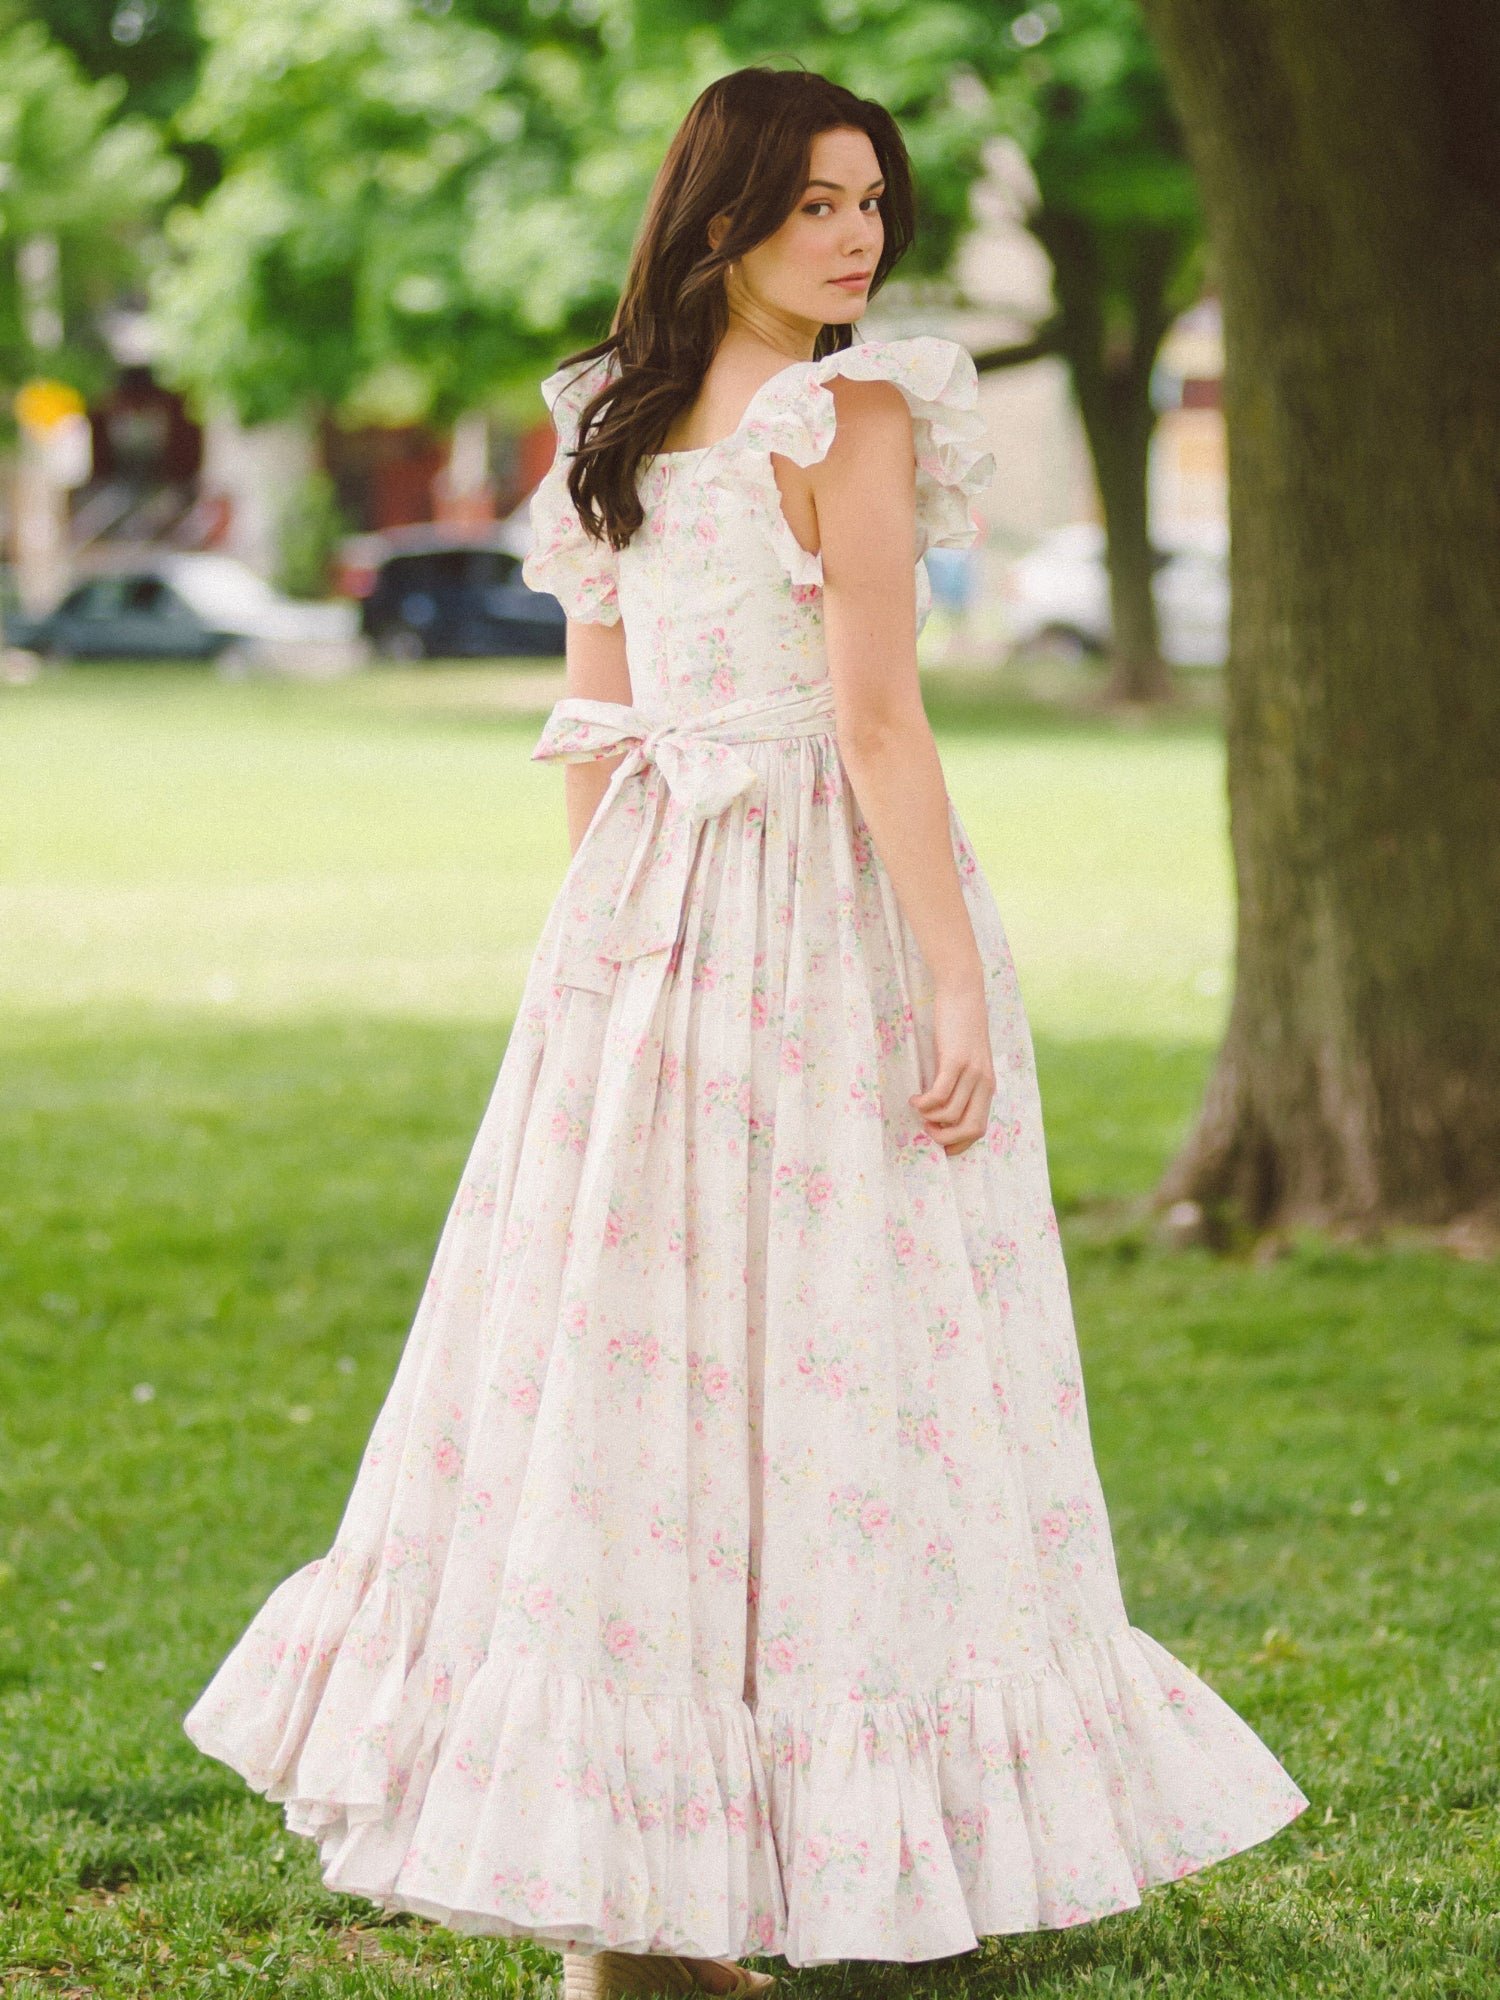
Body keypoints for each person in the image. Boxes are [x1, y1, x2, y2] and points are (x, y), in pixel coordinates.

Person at [182, 64, 1307, 1999]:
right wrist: (950, 980)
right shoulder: (836, 415)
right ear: (723, 220)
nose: (861, 237)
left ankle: (650, 1892)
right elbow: (872, 723)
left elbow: (603, 737)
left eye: (875, 201)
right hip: (799, 913)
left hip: (658, 925)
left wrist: (594, 963)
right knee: (841, 1350)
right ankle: (762, 1868)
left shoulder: (624, 422)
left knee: (652, 1374)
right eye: (818, 206)